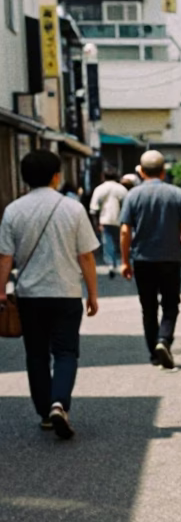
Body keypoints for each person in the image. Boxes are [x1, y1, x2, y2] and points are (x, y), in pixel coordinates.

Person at [0, 149, 99, 439]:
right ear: (57, 176)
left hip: (30, 295)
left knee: (36, 355)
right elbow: (87, 257)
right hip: (66, 292)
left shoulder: (14, 210)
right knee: (66, 352)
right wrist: (92, 294)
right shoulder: (73, 209)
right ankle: (60, 403)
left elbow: (5, 257)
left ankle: (45, 413)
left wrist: (1, 293)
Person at [120, 149, 181, 370]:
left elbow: (125, 231)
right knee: (171, 304)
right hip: (171, 258)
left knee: (149, 307)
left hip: (142, 259)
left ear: (142, 172)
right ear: (163, 172)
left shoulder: (133, 195)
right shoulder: (175, 194)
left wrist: (125, 260)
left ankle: (154, 353)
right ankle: (164, 339)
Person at [89, 166, 127, 278]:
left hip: (105, 219)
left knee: (108, 242)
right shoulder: (122, 189)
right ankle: (121, 261)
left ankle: (111, 264)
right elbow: (126, 206)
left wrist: (96, 224)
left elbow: (93, 208)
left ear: (103, 176)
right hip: (120, 220)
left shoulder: (100, 189)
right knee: (120, 242)